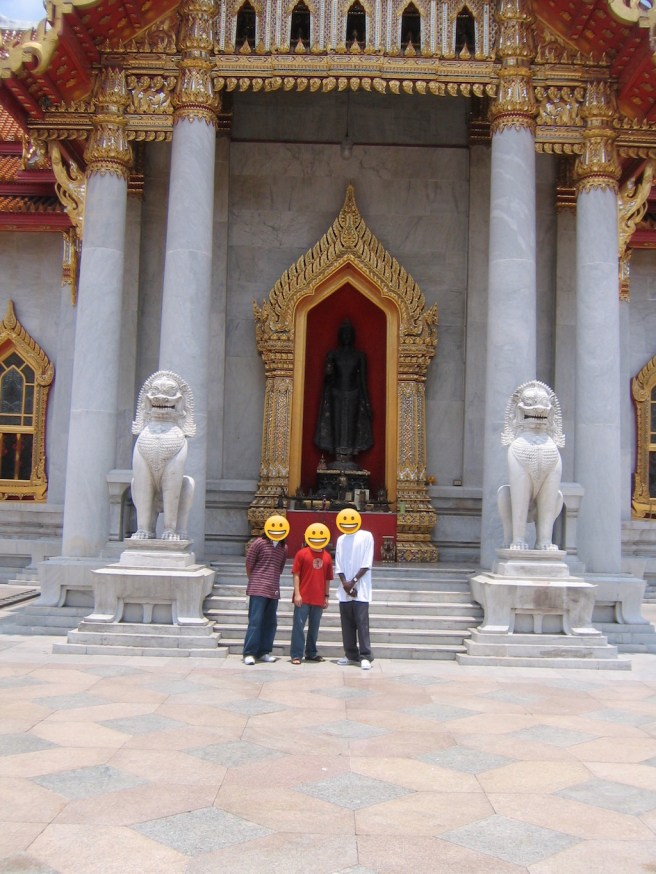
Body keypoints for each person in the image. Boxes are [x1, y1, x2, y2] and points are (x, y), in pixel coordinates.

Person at [314, 319, 373, 469]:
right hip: (336, 393)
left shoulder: (359, 356)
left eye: (349, 334)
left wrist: (367, 403)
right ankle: (337, 455)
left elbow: (362, 381)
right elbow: (328, 380)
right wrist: (328, 372)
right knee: (336, 424)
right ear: (340, 336)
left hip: (354, 393)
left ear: (353, 336)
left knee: (351, 425)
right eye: (344, 334)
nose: (347, 336)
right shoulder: (333, 354)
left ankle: (349, 456)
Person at [242, 514, 289, 665]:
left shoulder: (283, 547)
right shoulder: (259, 543)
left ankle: (264, 651)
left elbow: (280, 568)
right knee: (255, 621)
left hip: (273, 588)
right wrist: (255, 580)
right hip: (258, 588)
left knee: (270, 622)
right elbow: (249, 564)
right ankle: (249, 652)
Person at [334, 508, 374, 670]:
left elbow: (366, 563)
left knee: (362, 624)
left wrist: (353, 582)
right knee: (347, 624)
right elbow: (339, 563)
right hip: (345, 590)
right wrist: (345, 584)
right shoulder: (341, 539)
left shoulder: (366, 536)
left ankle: (365, 655)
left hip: (361, 589)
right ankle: (350, 654)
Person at [290, 522, 333, 664]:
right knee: (299, 627)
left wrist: (326, 596)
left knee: (314, 627)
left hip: (318, 597)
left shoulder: (327, 557)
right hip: (303, 597)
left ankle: (311, 653)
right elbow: (296, 574)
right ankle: (296, 654)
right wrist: (297, 594)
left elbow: (327, 578)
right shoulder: (302, 554)